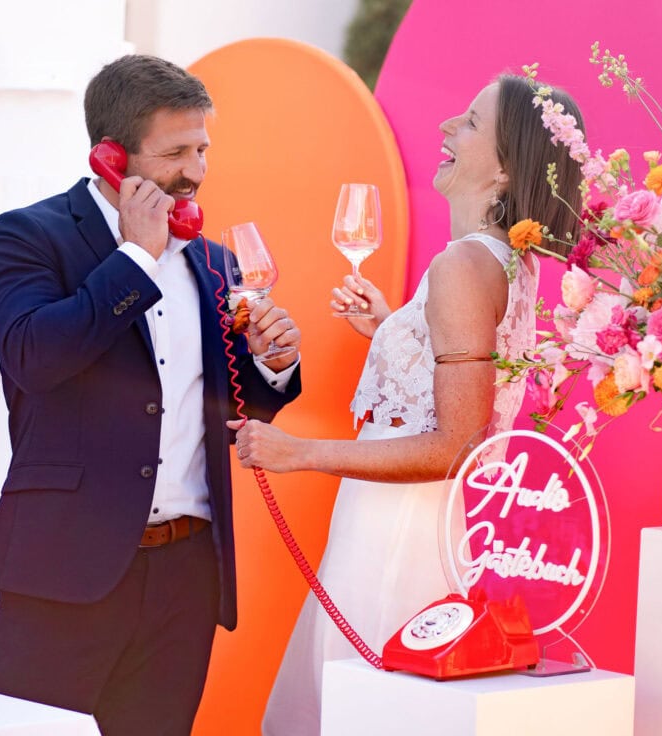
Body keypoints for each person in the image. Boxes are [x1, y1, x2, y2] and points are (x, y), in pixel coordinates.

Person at [229, 74, 584, 734]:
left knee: (364, 707)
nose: (447, 126)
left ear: (505, 170)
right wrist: (396, 328)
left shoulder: (462, 268)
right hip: (420, 522)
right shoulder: (505, 262)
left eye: (470, 122)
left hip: (395, 531)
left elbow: (454, 446)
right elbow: (455, 386)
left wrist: (298, 451)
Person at [0, 54, 302, 736]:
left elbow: (230, 407)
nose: (196, 170)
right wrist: (137, 256)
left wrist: (273, 365)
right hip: (65, 569)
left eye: (202, 149)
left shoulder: (215, 261)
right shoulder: (26, 236)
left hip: (186, 577)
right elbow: (35, 358)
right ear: (111, 155)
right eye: (175, 153)